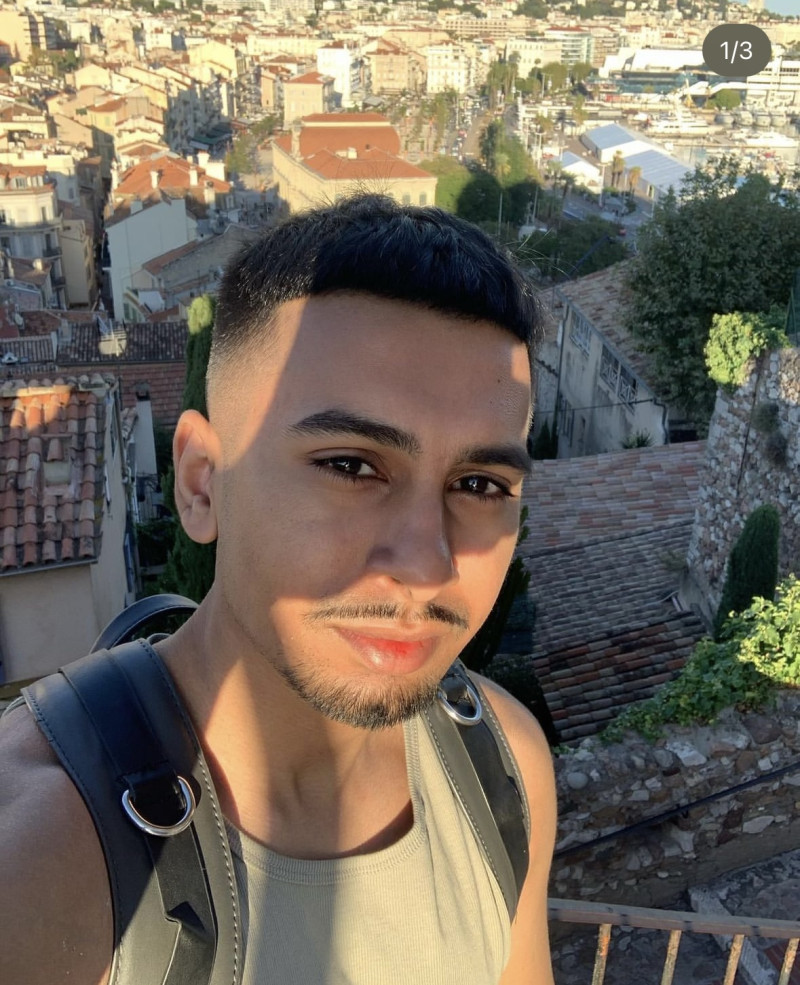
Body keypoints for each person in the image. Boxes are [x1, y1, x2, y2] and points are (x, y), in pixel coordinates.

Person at [0, 194, 557, 985]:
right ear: (202, 482)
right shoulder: (44, 865)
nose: (427, 565)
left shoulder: (502, 767)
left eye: (479, 483)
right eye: (352, 465)